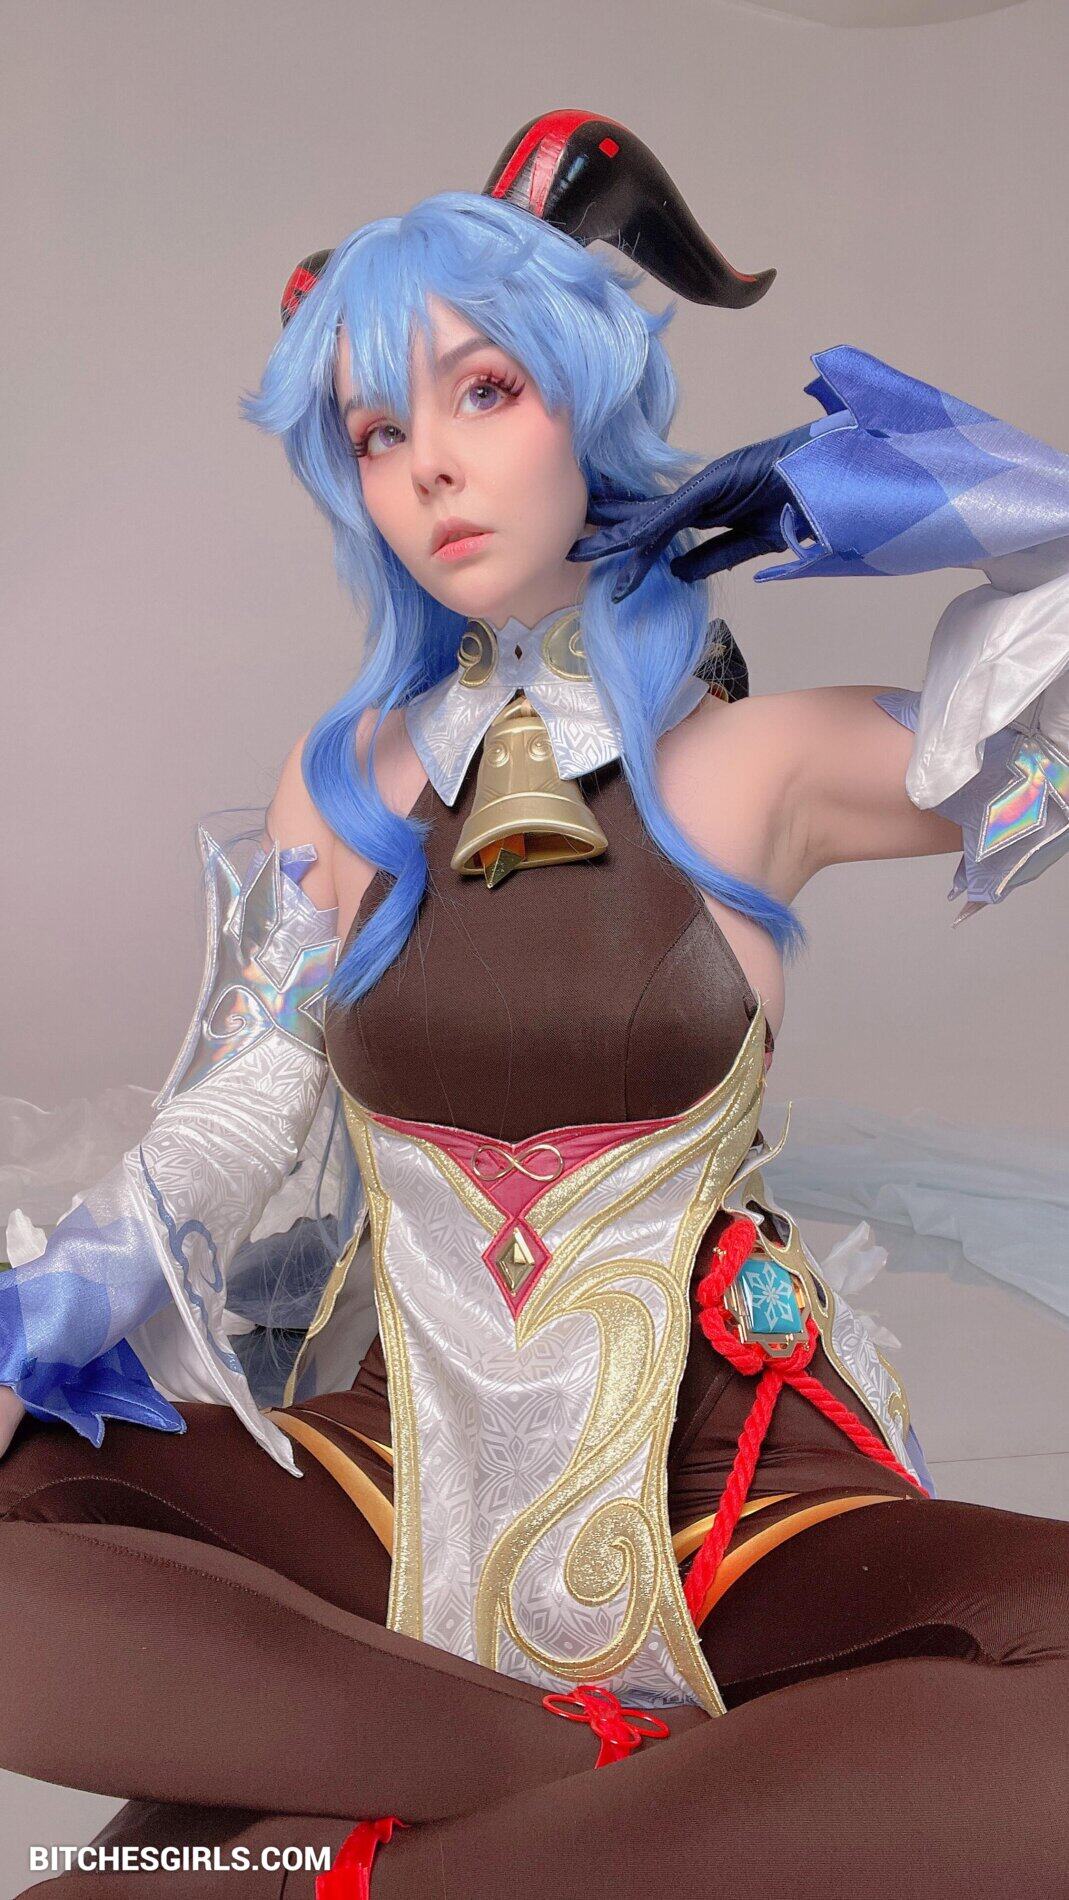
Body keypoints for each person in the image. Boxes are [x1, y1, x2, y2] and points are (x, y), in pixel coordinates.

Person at [2, 111, 1067, 1900]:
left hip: (714, 1498)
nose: (429, 466)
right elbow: (243, 1107)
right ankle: (586, 1774)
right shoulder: (343, 785)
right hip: (385, 1485)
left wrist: (997, 507)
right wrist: (48, 1309)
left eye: (482, 392)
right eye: (376, 432)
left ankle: (356, 1850)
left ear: (586, 398)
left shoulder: (755, 768)